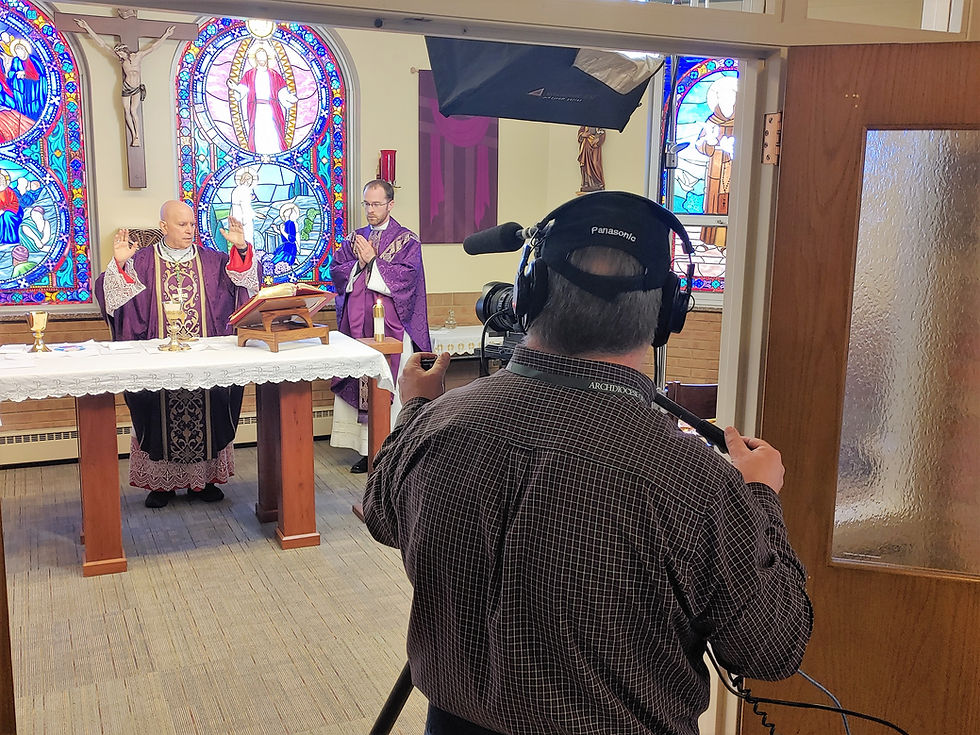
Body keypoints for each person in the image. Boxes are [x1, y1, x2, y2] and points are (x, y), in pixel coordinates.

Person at [363, 191, 812, 735]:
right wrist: (757, 497)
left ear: (530, 295)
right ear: (666, 313)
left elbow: (382, 510)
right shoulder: (696, 482)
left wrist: (413, 405)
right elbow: (772, 650)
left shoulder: (438, 428)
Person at [95, 200, 261, 508]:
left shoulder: (213, 261)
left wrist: (240, 251)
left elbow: (245, 282)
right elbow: (112, 297)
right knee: (158, 414)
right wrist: (118, 266)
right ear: (164, 226)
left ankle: (204, 481)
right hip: (161, 362)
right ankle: (162, 485)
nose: (190, 229)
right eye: (182, 224)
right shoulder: (141, 261)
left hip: (204, 361)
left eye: (192, 224)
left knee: (210, 410)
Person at [330, 179, 430, 473]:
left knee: (390, 385)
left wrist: (374, 261)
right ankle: (366, 449)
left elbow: (408, 280)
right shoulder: (354, 239)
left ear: (390, 204)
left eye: (376, 204)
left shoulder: (407, 241)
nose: (370, 211)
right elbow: (336, 272)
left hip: (393, 328)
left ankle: (394, 448)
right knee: (360, 381)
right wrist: (360, 265)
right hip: (357, 329)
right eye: (366, 204)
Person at [75, 19, 175, 147]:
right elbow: (102, 44)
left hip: (137, 88)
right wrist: (86, 27)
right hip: (127, 87)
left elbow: (153, 47)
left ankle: (137, 135)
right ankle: (134, 135)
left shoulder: (138, 56)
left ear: (124, 51)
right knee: (127, 110)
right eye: (118, 54)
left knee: (134, 111)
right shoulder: (121, 60)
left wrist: (166, 35)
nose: (119, 56)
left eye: (120, 53)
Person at [227, 45, 297, 154]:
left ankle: (275, 154)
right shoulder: (250, 74)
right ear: (255, 60)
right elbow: (243, 89)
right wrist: (235, 88)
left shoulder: (274, 75)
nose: (262, 61)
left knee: (273, 132)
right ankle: (259, 154)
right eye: (259, 59)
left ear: (267, 59)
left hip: (272, 109)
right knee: (258, 132)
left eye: (264, 59)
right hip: (256, 110)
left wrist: (289, 98)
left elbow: (282, 92)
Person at [695, 75, 737, 248]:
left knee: (732, 202)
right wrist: (709, 143)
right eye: (724, 96)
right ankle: (710, 240)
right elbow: (700, 145)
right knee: (713, 203)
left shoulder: (742, 120)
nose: (727, 99)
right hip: (715, 170)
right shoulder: (712, 121)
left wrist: (734, 149)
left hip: (734, 171)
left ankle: (729, 243)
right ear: (718, 98)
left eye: (731, 96)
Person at [577, 125, 606, 192]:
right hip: (586, 144)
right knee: (585, 163)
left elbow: (602, 132)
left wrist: (598, 139)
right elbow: (580, 133)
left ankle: (598, 183)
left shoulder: (599, 123)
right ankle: (586, 183)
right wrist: (582, 135)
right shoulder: (585, 124)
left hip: (594, 145)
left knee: (595, 163)